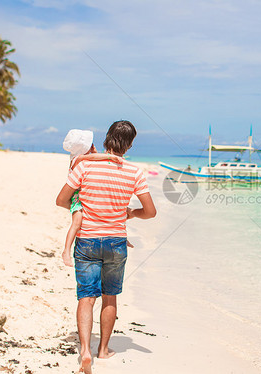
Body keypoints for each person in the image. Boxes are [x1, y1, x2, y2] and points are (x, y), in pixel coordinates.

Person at [56, 121, 156, 374]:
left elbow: (61, 200)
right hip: (116, 242)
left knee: (86, 297)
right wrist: (130, 214)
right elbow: (151, 212)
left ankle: (86, 351)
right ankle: (103, 350)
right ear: (130, 145)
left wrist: (84, 211)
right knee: (109, 296)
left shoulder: (85, 166)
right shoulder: (135, 172)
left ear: (106, 140)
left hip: (87, 240)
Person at [61, 129, 126, 267]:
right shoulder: (78, 159)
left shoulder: (80, 158)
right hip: (77, 198)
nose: (94, 147)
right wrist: (111, 157)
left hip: (84, 196)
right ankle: (66, 251)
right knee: (77, 223)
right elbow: (93, 159)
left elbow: (94, 159)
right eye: (91, 145)